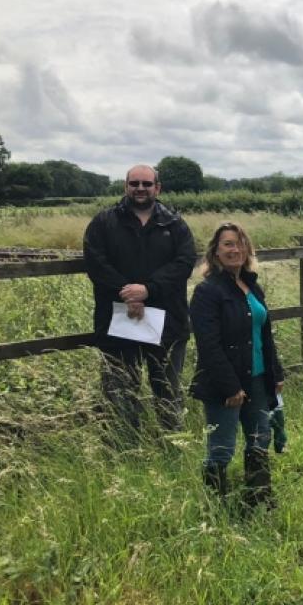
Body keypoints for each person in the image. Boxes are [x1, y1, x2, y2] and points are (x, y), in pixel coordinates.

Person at [83, 164, 197, 441]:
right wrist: (128, 293)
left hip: (167, 321)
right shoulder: (104, 222)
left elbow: (183, 263)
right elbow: (96, 263)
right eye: (135, 183)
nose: (140, 188)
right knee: (120, 390)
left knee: (168, 390)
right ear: (125, 186)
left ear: (157, 188)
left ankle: (173, 445)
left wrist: (148, 290)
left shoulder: (175, 224)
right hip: (118, 322)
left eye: (147, 184)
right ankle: (124, 446)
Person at [190, 222, 285, 506]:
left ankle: (258, 499)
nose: (235, 249)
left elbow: (265, 335)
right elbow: (208, 346)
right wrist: (230, 387)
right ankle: (215, 507)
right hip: (225, 383)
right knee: (222, 447)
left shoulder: (253, 287)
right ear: (216, 252)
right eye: (228, 244)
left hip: (257, 377)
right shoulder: (208, 292)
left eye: (240, 243)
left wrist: (275, 373)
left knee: (259, 438)